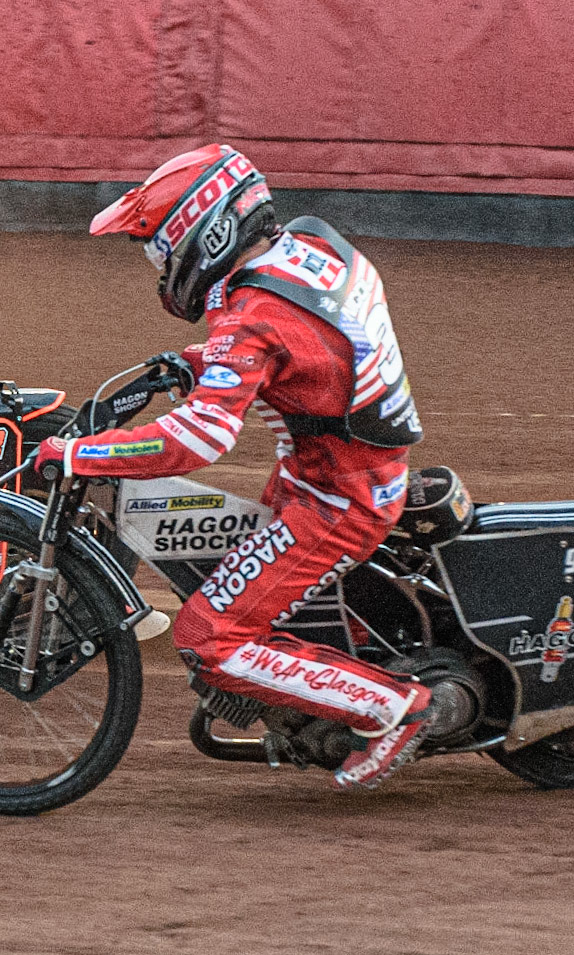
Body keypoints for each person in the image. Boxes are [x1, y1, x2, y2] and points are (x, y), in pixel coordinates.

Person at [36, 143, 455, 790]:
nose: (157, 265)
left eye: (156, 247)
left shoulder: (251, 319)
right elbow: (312, 346)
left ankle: (393, 708)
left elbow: (197, 442)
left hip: (333, 501)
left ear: (202, 231)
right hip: (347, 470)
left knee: (207, 636)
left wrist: (82, 456)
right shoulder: (314, 248)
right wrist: (208, 359)